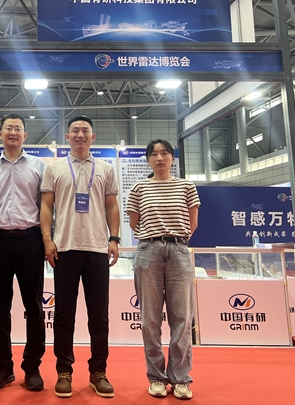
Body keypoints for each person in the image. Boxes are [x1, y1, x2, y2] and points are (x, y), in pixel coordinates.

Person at [40, 115, 120, 399]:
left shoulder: (106, 168)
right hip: (65, 248)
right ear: (67, 136)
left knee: (99, 315)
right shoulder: (55, 168)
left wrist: (114, 238)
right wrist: (47, 240)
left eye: (85, 130)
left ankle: (99, 372)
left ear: (93, 137)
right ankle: (64, 372)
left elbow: (112, 206)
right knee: (64, 314)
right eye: (75, 130)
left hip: (97, 249)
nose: (80, 135)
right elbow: (46, 207)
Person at [126, 139, 200, 401]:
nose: (159, 158)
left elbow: (192, 222)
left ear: (172, 158)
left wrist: (174, 238)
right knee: (150, 320)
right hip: (148, 251)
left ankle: (180, 378)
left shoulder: (186, 186)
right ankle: (156, 377)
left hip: (179, 251)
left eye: (164, 153)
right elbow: (134, 223)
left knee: (182, 318)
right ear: (148, 159)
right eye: (154, 154)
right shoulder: (139, 188)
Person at [0, 113, 46, 392]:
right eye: (8, 128)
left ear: (25, 135)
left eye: (18, 129)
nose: (13, 132)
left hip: (31, 240)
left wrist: (48, 240)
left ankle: (32, 367)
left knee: (34, 306)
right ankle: (3, 367)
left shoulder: (38, 166)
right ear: (0, 134)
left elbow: (46, 206)